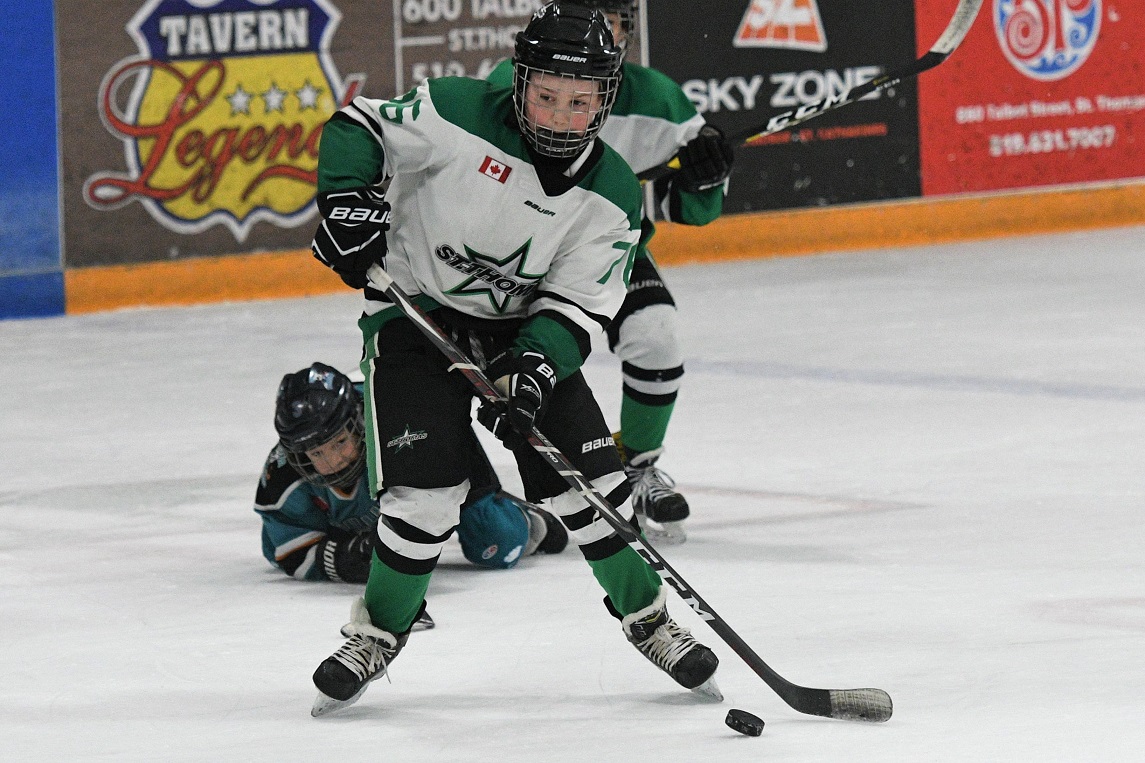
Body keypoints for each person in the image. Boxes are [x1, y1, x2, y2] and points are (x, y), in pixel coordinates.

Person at [306, 2, 720, 717]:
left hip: (521, 330)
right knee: (422, 499)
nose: (560, 117)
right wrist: (346, 201)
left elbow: (577, 306)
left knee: (595, 491)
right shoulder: (454, 110)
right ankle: (377, 632)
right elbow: (360, 124)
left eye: (579, 102)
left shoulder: (613, 193)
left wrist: (533, 371)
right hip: (415, 313)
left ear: (605, 100)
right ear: (520, 82)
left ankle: (650, 620)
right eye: (546, 96)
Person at [488, 0, 733, 543]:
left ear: (628, 29)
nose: (602, 29)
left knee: (656, 336)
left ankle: (637, 467)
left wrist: (704, 176)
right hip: (514, 252)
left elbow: (688, 207)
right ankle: (468, 486)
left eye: (615, 19)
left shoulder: (659, 101)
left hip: (608, 252)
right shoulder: (517, 83)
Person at [255, 362, 568, 613]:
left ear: (358, 420)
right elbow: (289, 550)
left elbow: (445, 424)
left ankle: (525, 518)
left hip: (435, 449)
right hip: (369, 508)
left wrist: (467, 495)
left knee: (495, 540)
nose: (333, 460)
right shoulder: (283, 475)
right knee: (280, 545)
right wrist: (349, 556)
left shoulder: (393, 419)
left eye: (339, 443)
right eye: (316, 453)